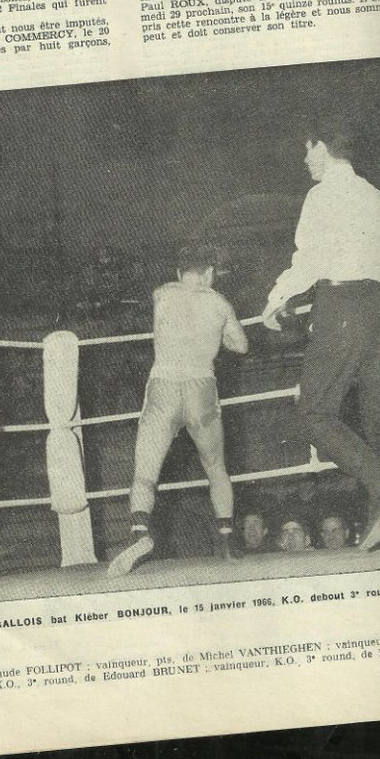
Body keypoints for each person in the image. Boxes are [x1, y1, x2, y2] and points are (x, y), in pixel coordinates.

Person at [261, 120, 380, 554]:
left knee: (314, 413)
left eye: (308, 149)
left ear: (322, 145)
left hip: (344, 306)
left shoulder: (322, 195)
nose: (304, 160)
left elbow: (310, 258)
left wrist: (275, 299)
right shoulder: (376, 196)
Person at [108, 244, 248, 576]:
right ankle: (227, 542)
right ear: (211, 273)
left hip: (164, 388)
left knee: (145, 473)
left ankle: (141, 533)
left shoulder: (163, 294)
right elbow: (241, 345)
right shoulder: (220, 304)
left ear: (178, 272)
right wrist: (219, 336)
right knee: (215, 468)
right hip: (202, 388)